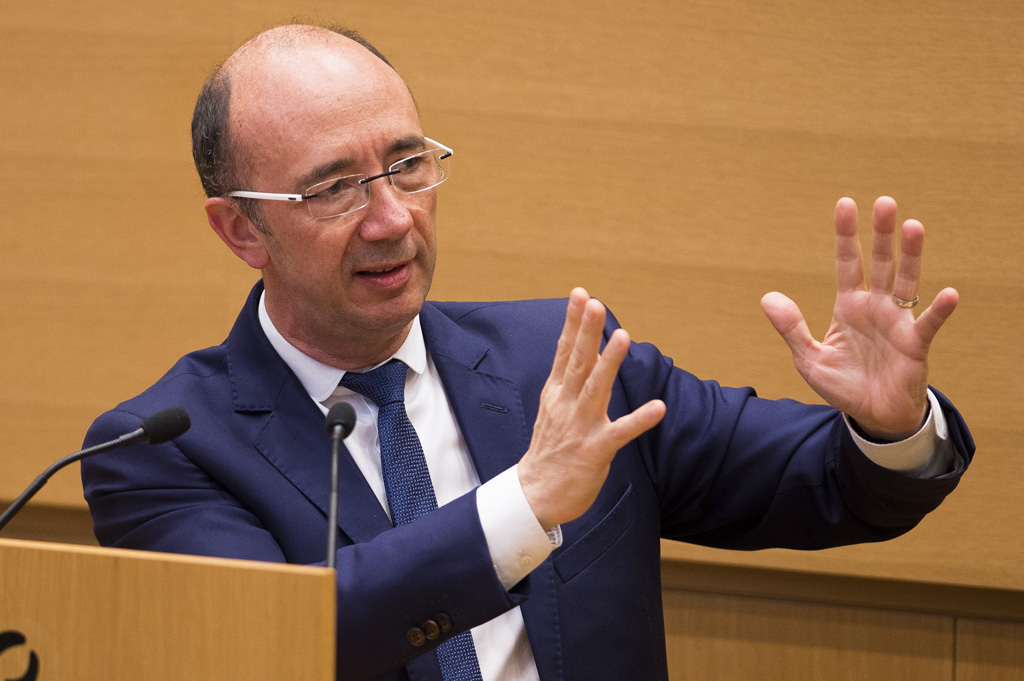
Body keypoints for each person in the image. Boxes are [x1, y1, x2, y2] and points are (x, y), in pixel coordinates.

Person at [81, 23, 973, 681]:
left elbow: (817, 485)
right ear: (243, 229)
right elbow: (277, 644)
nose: (393, 218)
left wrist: (886, 425)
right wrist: (522, 505)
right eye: (335, 188)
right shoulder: (162, 448)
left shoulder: (557, 356)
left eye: (407, 165)